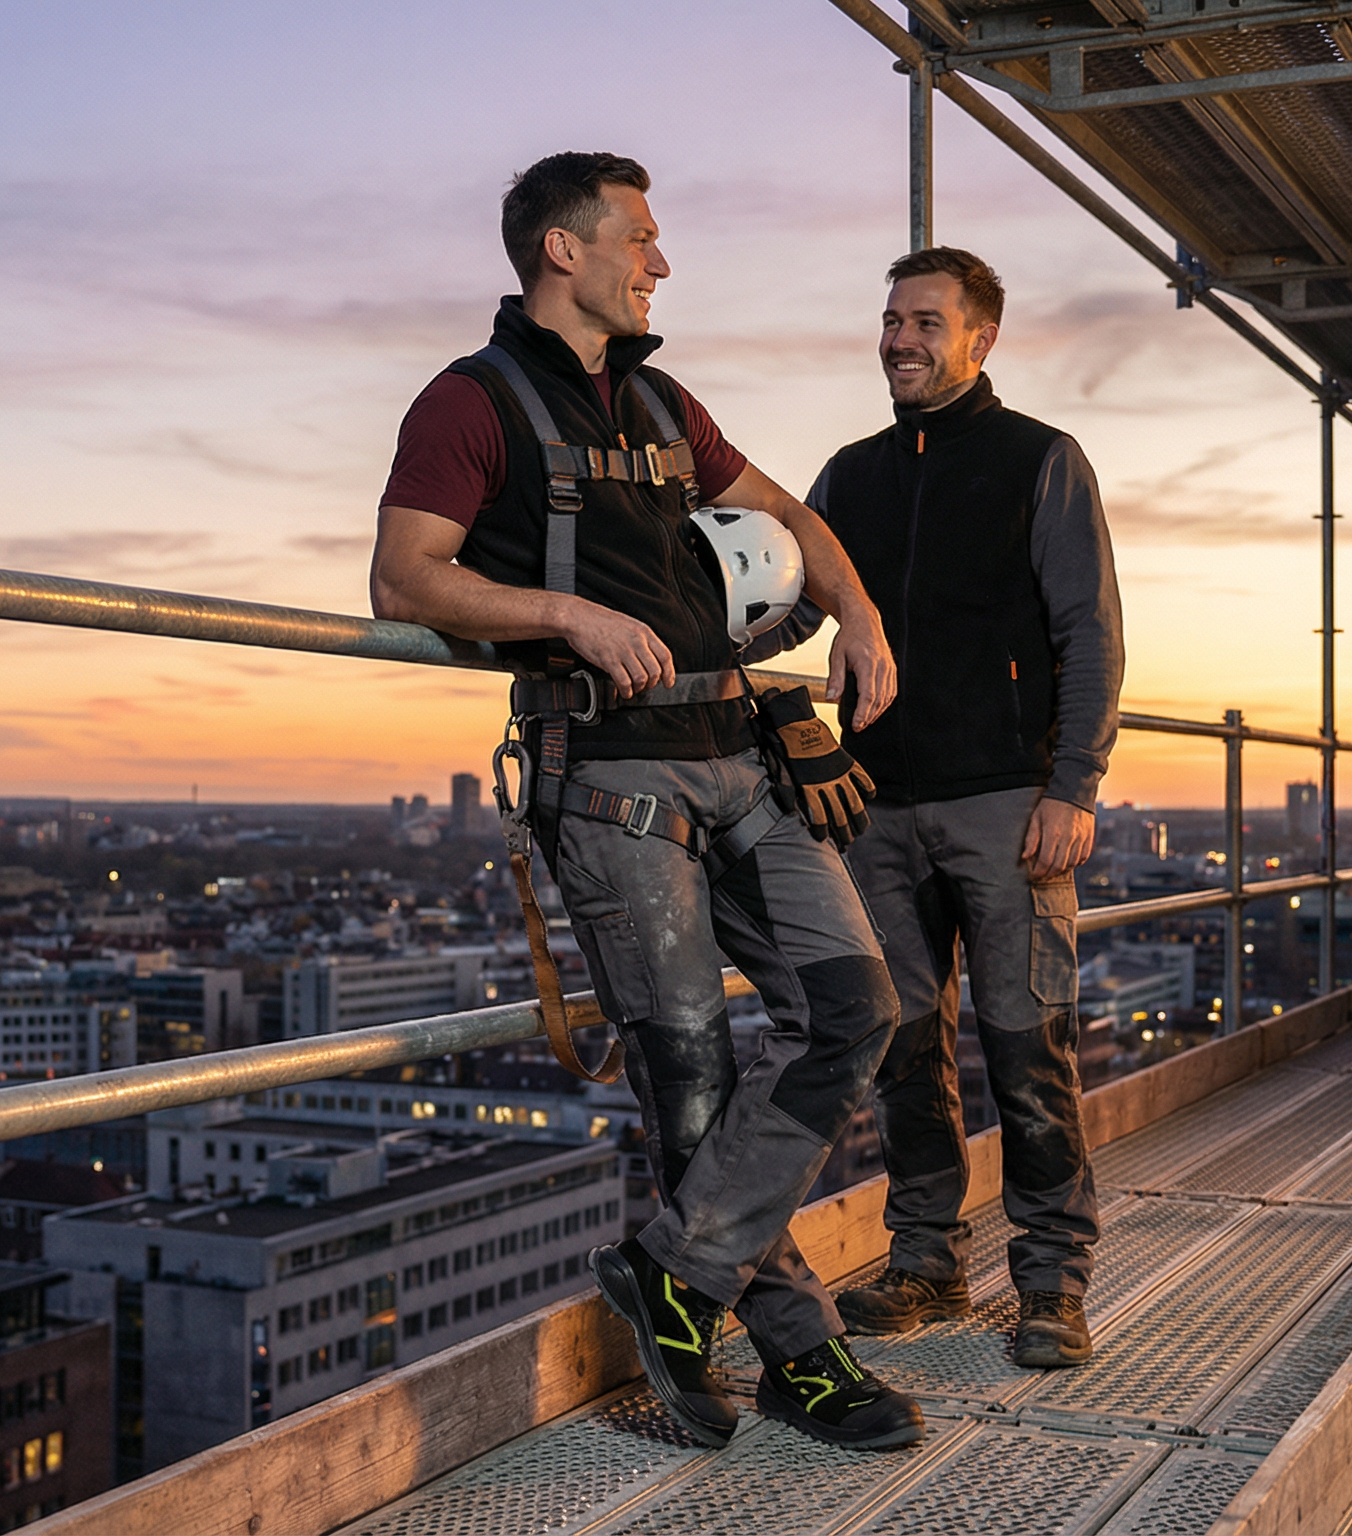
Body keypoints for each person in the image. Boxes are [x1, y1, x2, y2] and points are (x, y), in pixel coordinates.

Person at [369, 151, 923, 1451]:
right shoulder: (471, 404)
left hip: (741, 759)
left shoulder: (666, 406)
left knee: (856, 1008)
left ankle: (674, 1270)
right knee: (690, 1078)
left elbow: (783, 512)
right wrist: (563, 611)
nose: (659, 261)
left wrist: (858, 612)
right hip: (609, 783)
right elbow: (406, 578)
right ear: (565, 250)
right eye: (641, 238)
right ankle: (800, 1357)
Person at [802, 247, 1124, 1368]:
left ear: (980, 339)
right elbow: (778, 606)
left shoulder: (1041, 460)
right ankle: (926, 1263)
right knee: (901, 1051)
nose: (900, 338)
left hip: (1006, 805)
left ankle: (1049, 1282)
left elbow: (1088, 632)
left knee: (1026, 1045)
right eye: (891, 318)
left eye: (926, 322)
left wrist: (1072, 785)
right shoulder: (845, 477)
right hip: (875, 806)